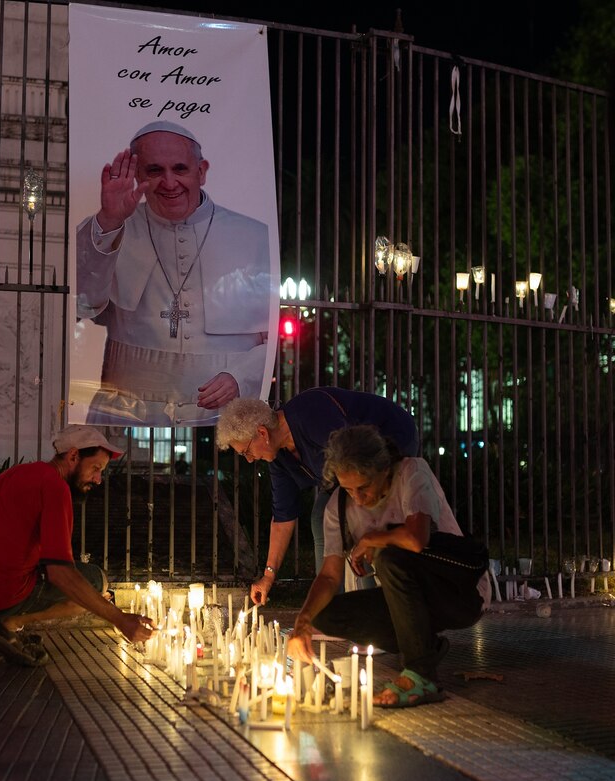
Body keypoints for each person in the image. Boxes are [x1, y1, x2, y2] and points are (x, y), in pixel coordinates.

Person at [75, 120, 272, 426]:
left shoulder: (255, 236)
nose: (169, 183)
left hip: (221, 416)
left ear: (202, 171)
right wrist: (110, 220)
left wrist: (240, 376)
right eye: (154, 171)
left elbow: (278, 338)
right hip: (127, 413)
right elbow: (81, 305)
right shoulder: (109, 226)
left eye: (180, 169)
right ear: (137, 174)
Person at [286, 425, 491, 707]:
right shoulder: (338, 504)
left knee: (390, 556)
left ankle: (422, 676)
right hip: (408, 601)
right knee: (325, 615)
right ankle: (426, 647)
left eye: (364, 487)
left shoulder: (411, 472)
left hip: (460, 593)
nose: (358, 498)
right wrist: (302, 623)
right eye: (349, 489)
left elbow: (417, 539)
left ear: (384, 468)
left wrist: (373, 539)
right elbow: (329, 575)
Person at [0, 424, 155, 667]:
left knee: (86, 588)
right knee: (95, 582)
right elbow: (60, 573)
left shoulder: (22, 472)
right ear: (73, 456)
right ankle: (5, 625)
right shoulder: (55, 487)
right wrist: (120, 619)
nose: (98, 480)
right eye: (95, 469)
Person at [215, 390, 418, 605]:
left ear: (263, 433)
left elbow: (355, 463)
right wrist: (268, 576)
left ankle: (372, 604)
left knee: (355, 516)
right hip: (348, 471)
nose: (249, 460)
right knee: (321, 517)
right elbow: (283, 518)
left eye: (246, 451)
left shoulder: (312, 414)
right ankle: (330, 606)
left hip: (390, 440)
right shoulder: (279, 458)